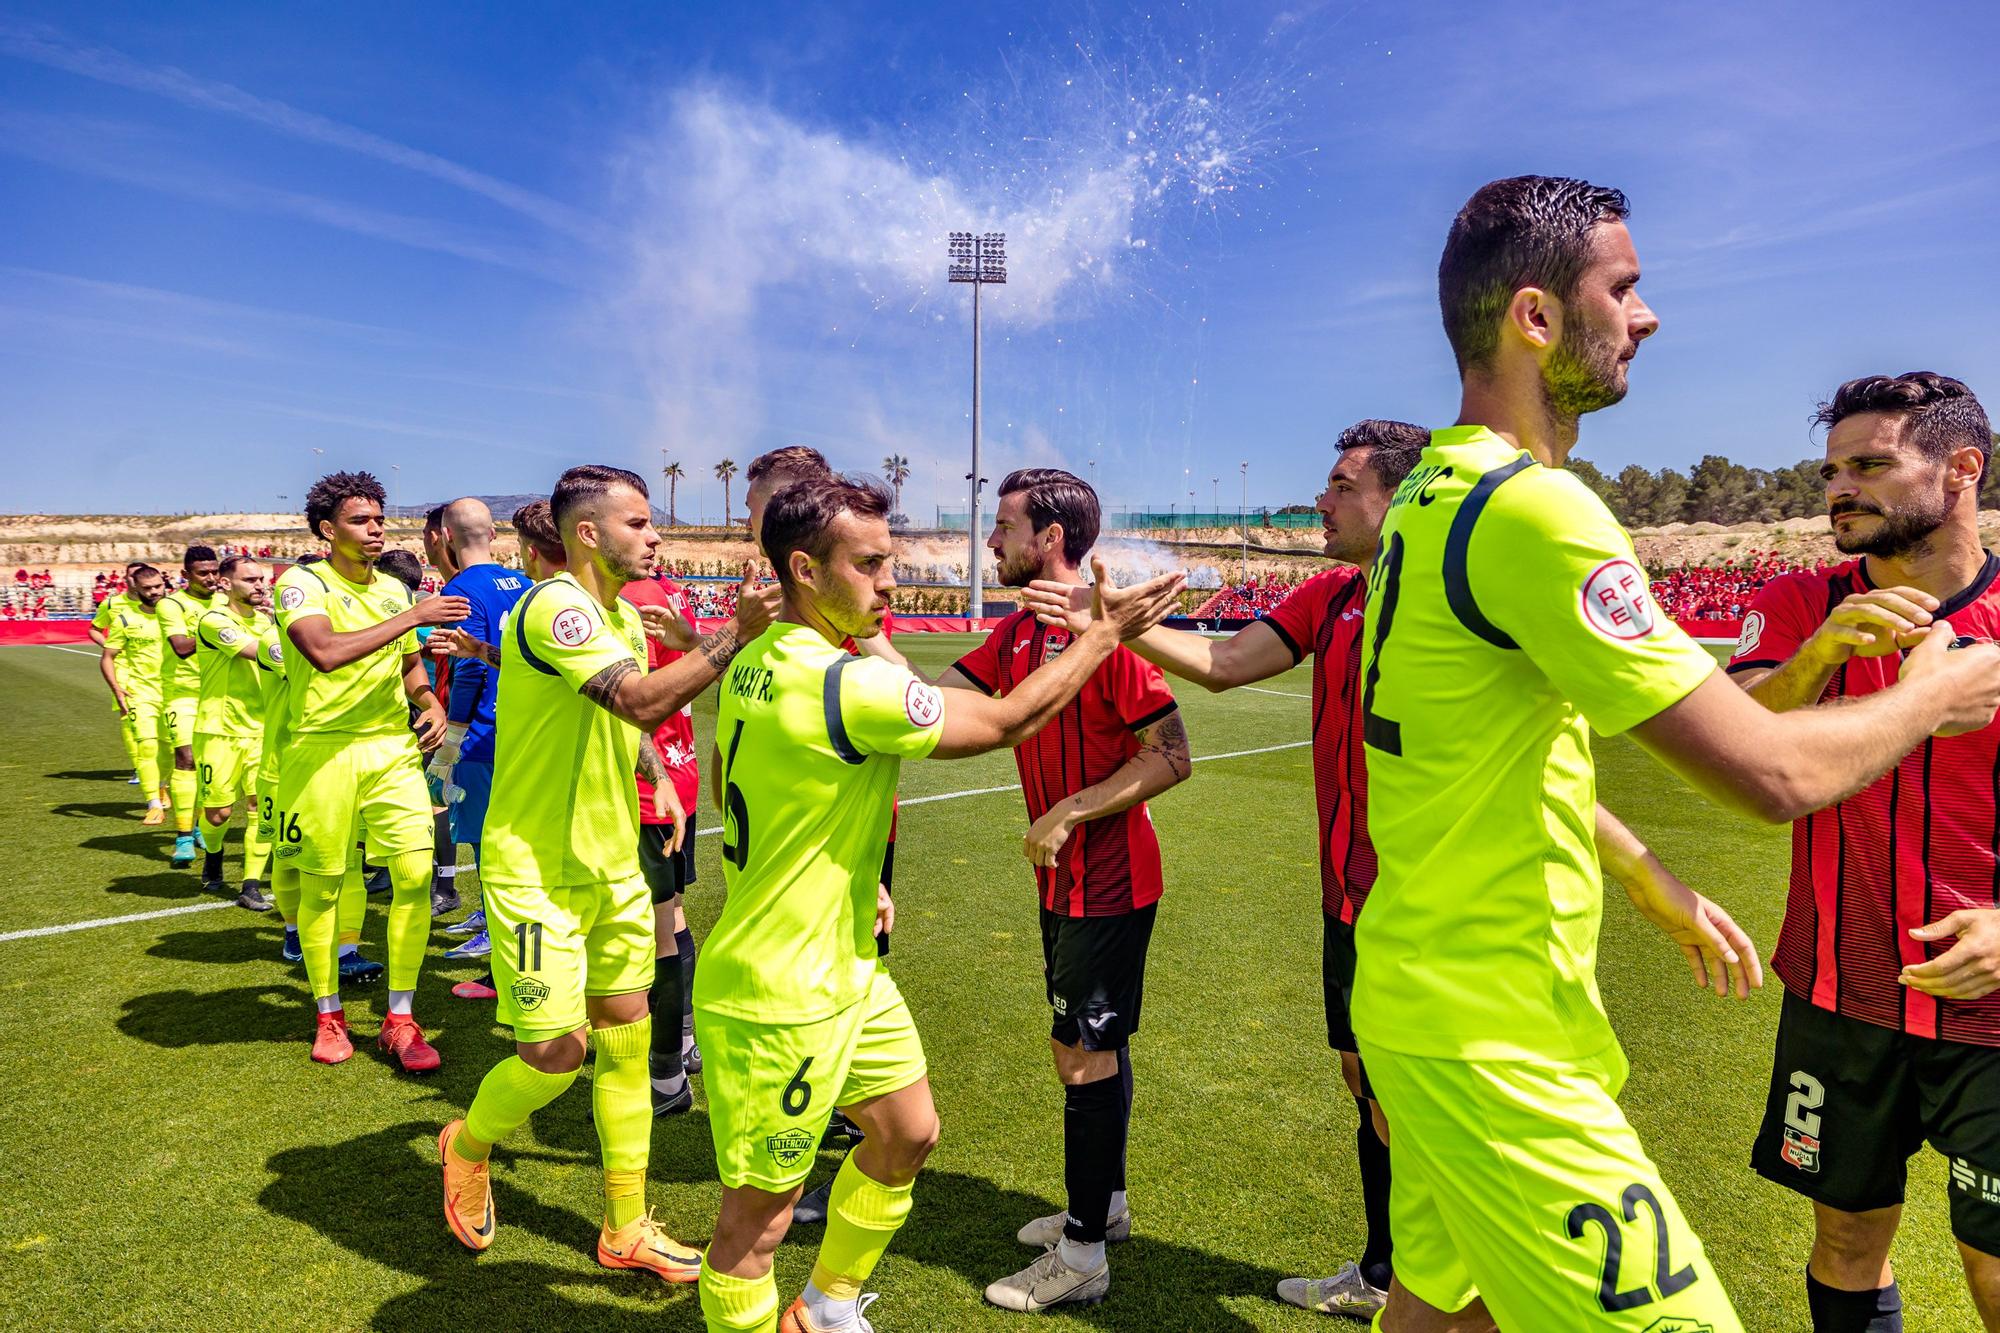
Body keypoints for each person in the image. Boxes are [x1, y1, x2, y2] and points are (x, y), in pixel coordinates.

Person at [1355, 174, 2000, 1333]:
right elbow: (1769, 772)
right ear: (1537, 318)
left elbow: (1513, 752)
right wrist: (1933, 691)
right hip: (1489, 1036)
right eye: (1624, 287)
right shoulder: (1534, 510)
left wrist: (1644, 875)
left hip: (1437, 1000)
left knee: (1446, 1311)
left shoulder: (1426, 495)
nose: (1644, 316)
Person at [690, 476, 1184, 1333]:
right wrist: (1102, 632)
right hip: (784, 986)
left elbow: (817, 778)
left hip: (851, 958)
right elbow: (996, 720)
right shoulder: (843, 684)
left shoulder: (763, 660)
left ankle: (829, 1305)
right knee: (756, 1221)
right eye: (873, 563)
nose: (891, 581)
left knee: (909, 1131)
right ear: (806, 570)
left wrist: (857, 869)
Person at [1025, 419, 1428, 1316]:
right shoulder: (1332, 594)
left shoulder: (1441, 596)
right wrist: (1112, 625)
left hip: (1430, 903)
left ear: (1397, 497)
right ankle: (1382, 1271)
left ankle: (1435, 1286)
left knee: (1414, 1100)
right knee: (1366, 1083)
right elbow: (1224, 663)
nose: (1320, 502)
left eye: (1341, 487)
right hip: (1349, 896)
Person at [436, 465, 781, 1282]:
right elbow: (635, 697)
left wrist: (654, 769)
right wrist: (733, 634)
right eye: (638, 523)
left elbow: (618, 717)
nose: (655, 536)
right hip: (536, 872)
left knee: (626, 1040)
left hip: (611, 862)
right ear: (586, 533)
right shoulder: (557, 604)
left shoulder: (619, 611)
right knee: (556, 1052)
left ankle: (625, 1224)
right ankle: (468, 1143)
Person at [1728, 371, 2000, 1332]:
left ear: (1961, 469)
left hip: (1993, 1004)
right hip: (1839, 992)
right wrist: (1819, 659)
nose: (1840, 486)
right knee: (1846, 1238)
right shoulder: (1799, 601)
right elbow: (1739, 747)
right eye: (1833, 467)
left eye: (1873, 464)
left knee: (1996, 1267)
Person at [927, 468, 1191, 1314]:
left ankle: (1081, 1254)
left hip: (1110, 883)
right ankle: (1102, 1208)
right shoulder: (1017, 637)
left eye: (1003, 526)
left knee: (1086, 1054)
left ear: (1048, 540)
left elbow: (1173, 753)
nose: (991, 542)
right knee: (1084, 1047)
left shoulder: (1103, 635)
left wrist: (1074, 807)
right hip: (1062, 883)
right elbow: (936, 703)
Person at [273, 472, 468, 1068]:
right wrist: (413, 618)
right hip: (322, 751)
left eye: (379, 518)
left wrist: (428, 701)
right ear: (328, 530)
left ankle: (400, 1020)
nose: (376, 527)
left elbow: (409, 669)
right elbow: (324, 653)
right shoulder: (301, 582)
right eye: (361, 520)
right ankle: (328, 1015)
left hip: (390, 751)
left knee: (414, 876)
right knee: (324, 885)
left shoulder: (392, 590)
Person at [617, 568, 705, 1114]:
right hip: (681, 774)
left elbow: (633, 703)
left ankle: (666, 1073)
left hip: (649, 788)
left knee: (656, 930)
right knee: (670, 917)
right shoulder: (671, 592)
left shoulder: (626, 600)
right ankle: (685, 1037)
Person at [426, 500, 529, 926]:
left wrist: (451, 741)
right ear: (493, 534)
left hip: (483, 733)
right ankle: (491, 915)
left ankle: (495, 924)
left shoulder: (459, 590)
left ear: (446, 537)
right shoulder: (524, 581)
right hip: (522, 725)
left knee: (489, 836)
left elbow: (468, 666)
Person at [192, 555, 274, 909]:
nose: (259, 585)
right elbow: (253, 651)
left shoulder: (268, 621)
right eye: (250, 580)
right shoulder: (214, 620)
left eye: (261, 579)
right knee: (219, 813)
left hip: (263, 728)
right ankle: (213, 855)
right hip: (218, 730)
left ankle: (251, 885)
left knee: (260, 806)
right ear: (226, 584)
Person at [157, 545, 226, 867]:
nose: (211, 578)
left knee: (210, 765)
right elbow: (182, 647)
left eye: (214, 571)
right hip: (182, 693)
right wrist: (227, 634)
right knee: (186, 758)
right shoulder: (171, 605)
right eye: (203, 573)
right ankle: (184, 835)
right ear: (185, 575)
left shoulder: (227, 600)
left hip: (221, 694)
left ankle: (198, 822)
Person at [98, 566, 170, 824]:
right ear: (135, 589)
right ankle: (153, 803)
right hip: (140, 692)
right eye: (148, 588)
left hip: (175, 693)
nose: (154, 592)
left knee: (172, 751)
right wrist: (117, 688)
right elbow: (107, 657)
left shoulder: (178, 614)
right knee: (147, 744)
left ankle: (162, 786)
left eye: (158, 586)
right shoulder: (125, 619)